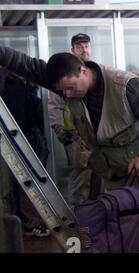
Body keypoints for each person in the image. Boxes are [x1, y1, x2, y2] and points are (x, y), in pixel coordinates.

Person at [0, 46, 139, 187]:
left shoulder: (124, 86)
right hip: (114, 174)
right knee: (121, 225)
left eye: (70, 88)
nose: (67, 95)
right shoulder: (66, 82)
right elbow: (27, 65)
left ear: (83, 71)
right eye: (62, 91)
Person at [0, 68, 50, 237]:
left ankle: (27, 223)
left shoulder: (24, 84)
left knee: (26, 186)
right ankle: (13, 225)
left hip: (27, 139)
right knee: (9, 188)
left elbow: (33, 111)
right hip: (8, 141)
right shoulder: (7, 85)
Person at [47, 33, 93, 208]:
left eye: (87, 46)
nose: (84, 50)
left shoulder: (94, 72)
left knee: (97, 174)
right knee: (79, 175)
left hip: (94, 135)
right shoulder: (65, 73)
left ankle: (93, 212)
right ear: (73, 50)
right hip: (74, 136)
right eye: (80, 47)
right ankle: (76, 214)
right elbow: (54, 105)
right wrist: (60, 130)